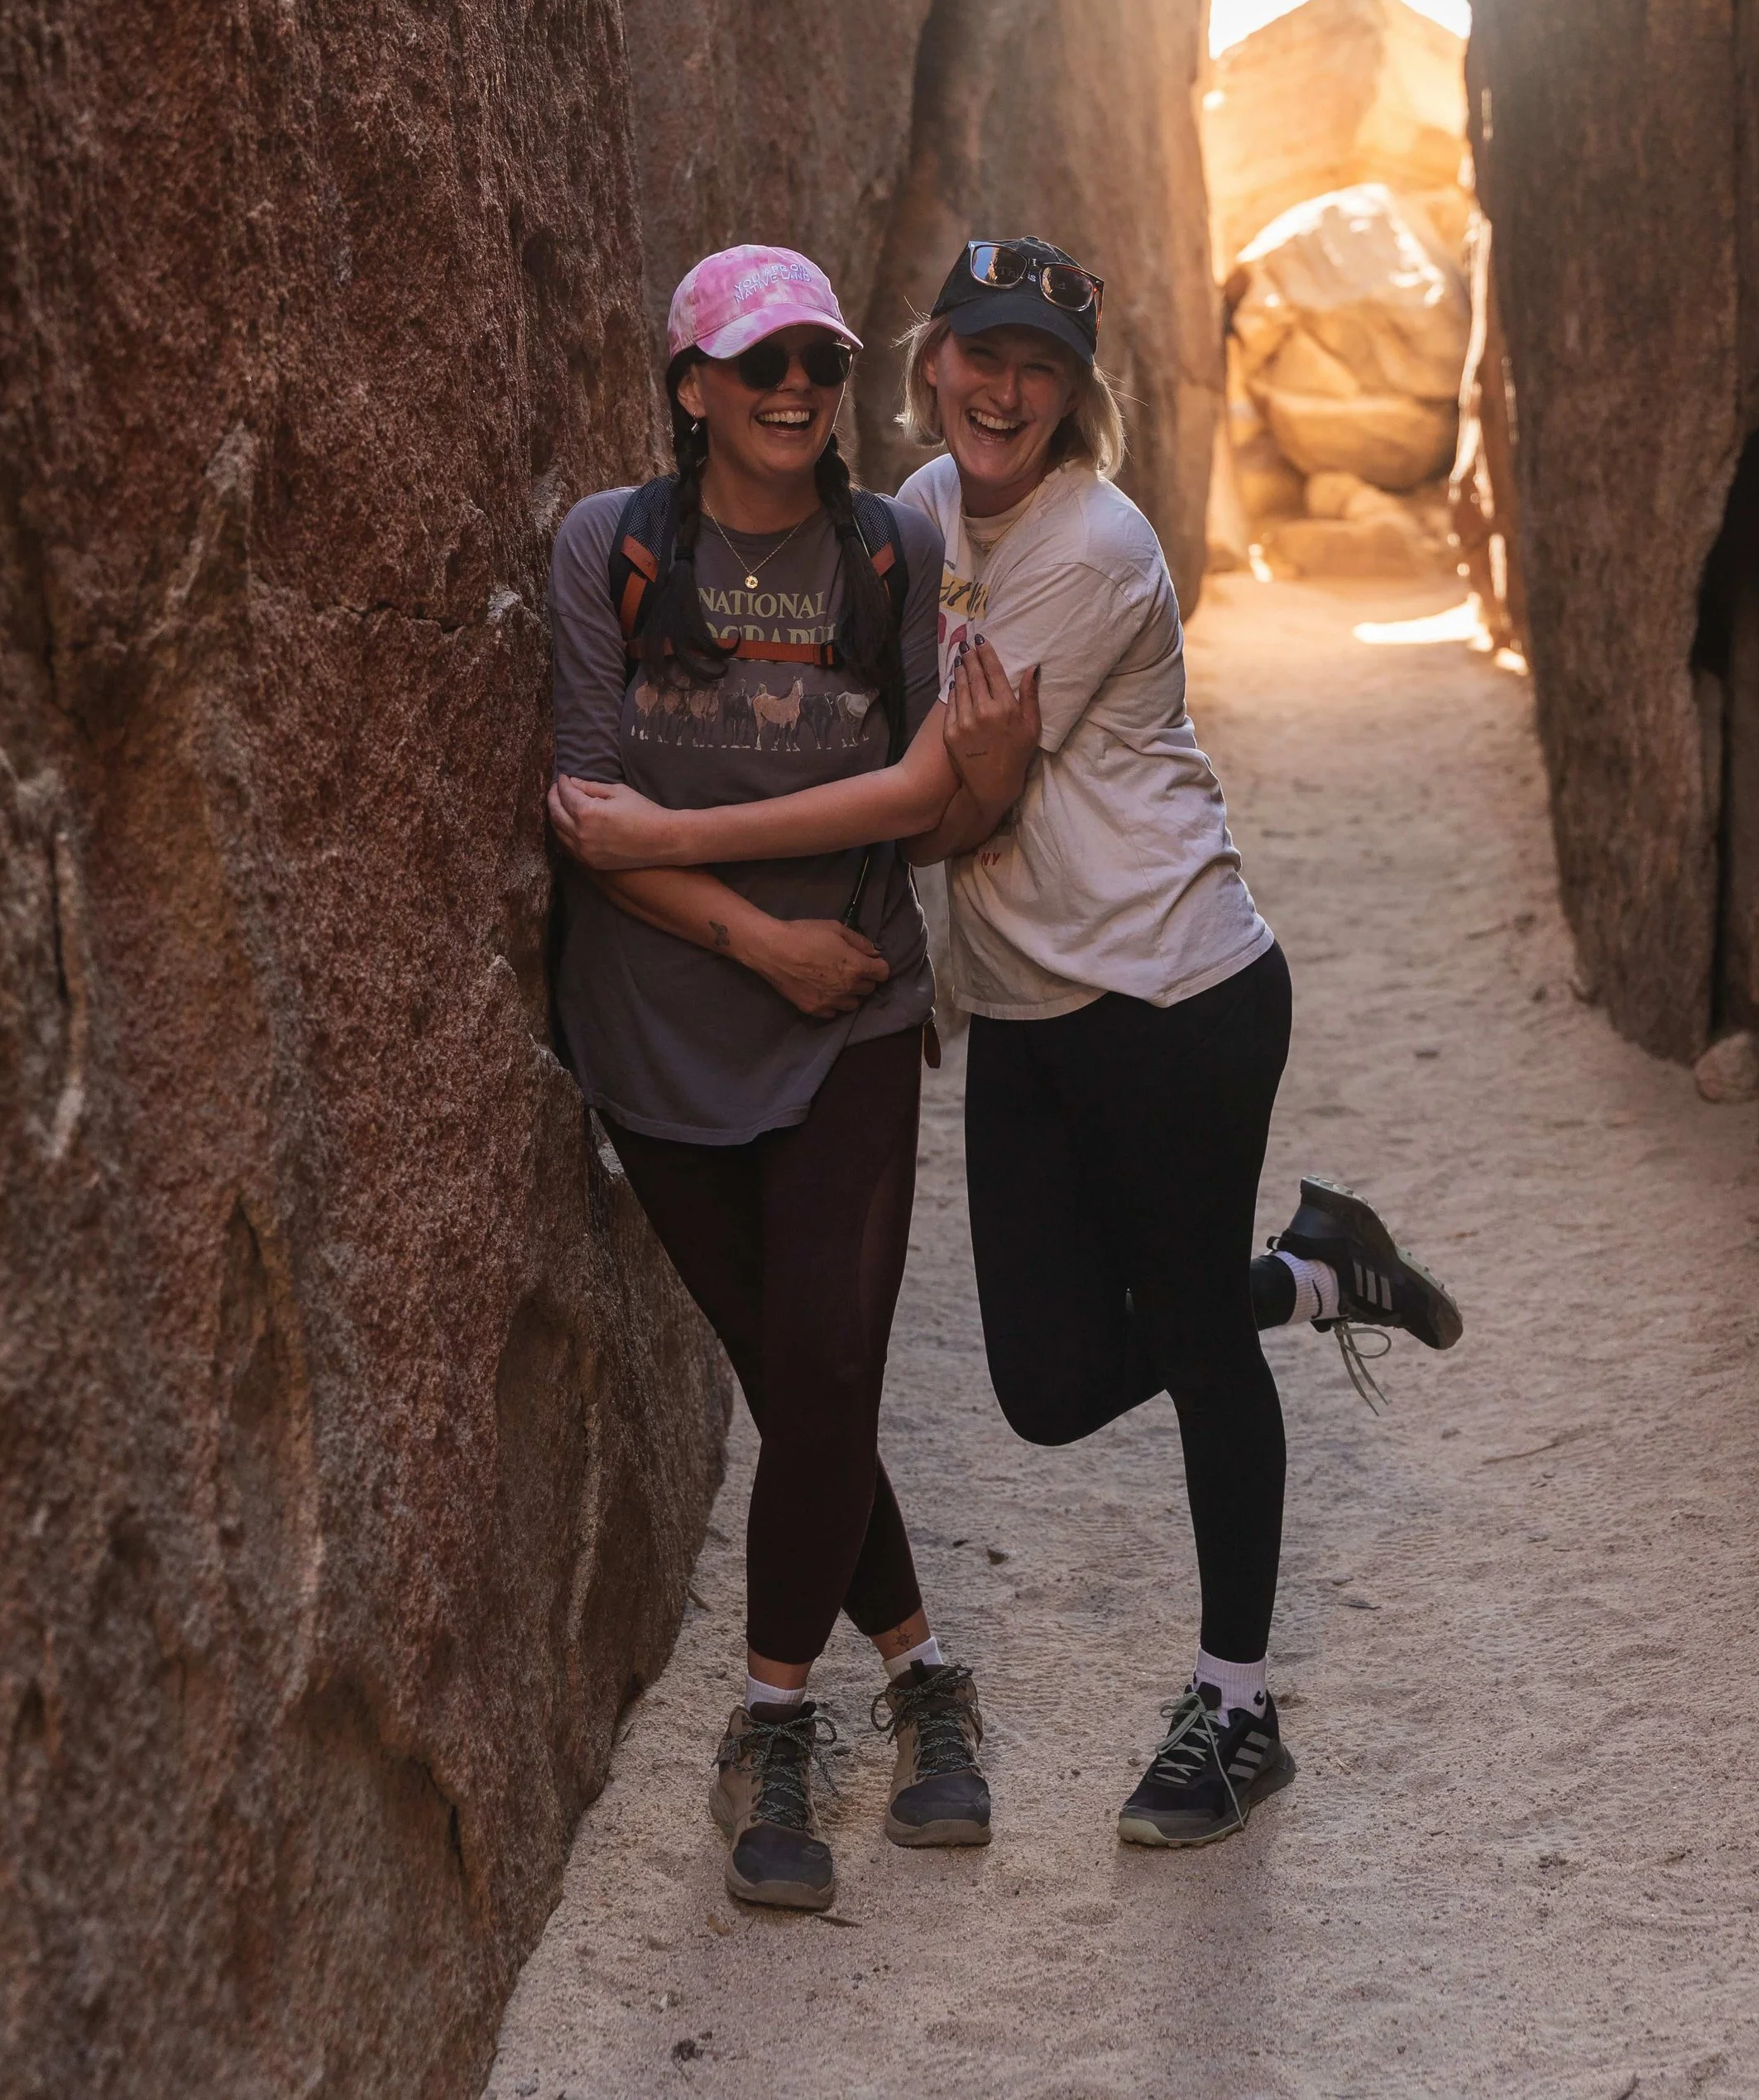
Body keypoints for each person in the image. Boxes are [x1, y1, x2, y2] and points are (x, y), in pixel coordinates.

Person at [553, 236, 1462, 1854]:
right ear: (928, 369)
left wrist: (655, 841)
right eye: (979, 353)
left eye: (1039, 366)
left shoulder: (1087, 548)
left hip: (1175, 989)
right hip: (1028, 1014)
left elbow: (938, 802)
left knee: (1183, 1341)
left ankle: (1234, 1709)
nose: (1004, 387)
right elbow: (910, 756)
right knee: (1043, 1388)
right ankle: (1311, 1272)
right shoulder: (906, 520)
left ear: (1075, 396)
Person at [546, 244, 1002, 1916]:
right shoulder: (612, 546)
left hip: (853, 1027)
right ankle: (924, 1669)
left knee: (822, 1365)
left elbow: (916, 793)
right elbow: (590, 828)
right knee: (801, 1384)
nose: (792, 388)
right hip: (660, 1036)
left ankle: (768, 1724)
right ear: (690, 388)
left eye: (813, 357)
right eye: (754, 367)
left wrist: (827, 937)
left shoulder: (887, 548)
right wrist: (761, 942)